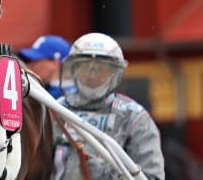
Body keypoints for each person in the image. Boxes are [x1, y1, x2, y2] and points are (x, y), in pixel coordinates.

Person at [52, 33, 165, 180]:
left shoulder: (134, 118)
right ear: (73, 70)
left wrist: (106, 176)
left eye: (102, 69)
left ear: (114, 74)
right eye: (84, 67)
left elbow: (152, 176)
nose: (92, 75)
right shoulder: (55, 112)